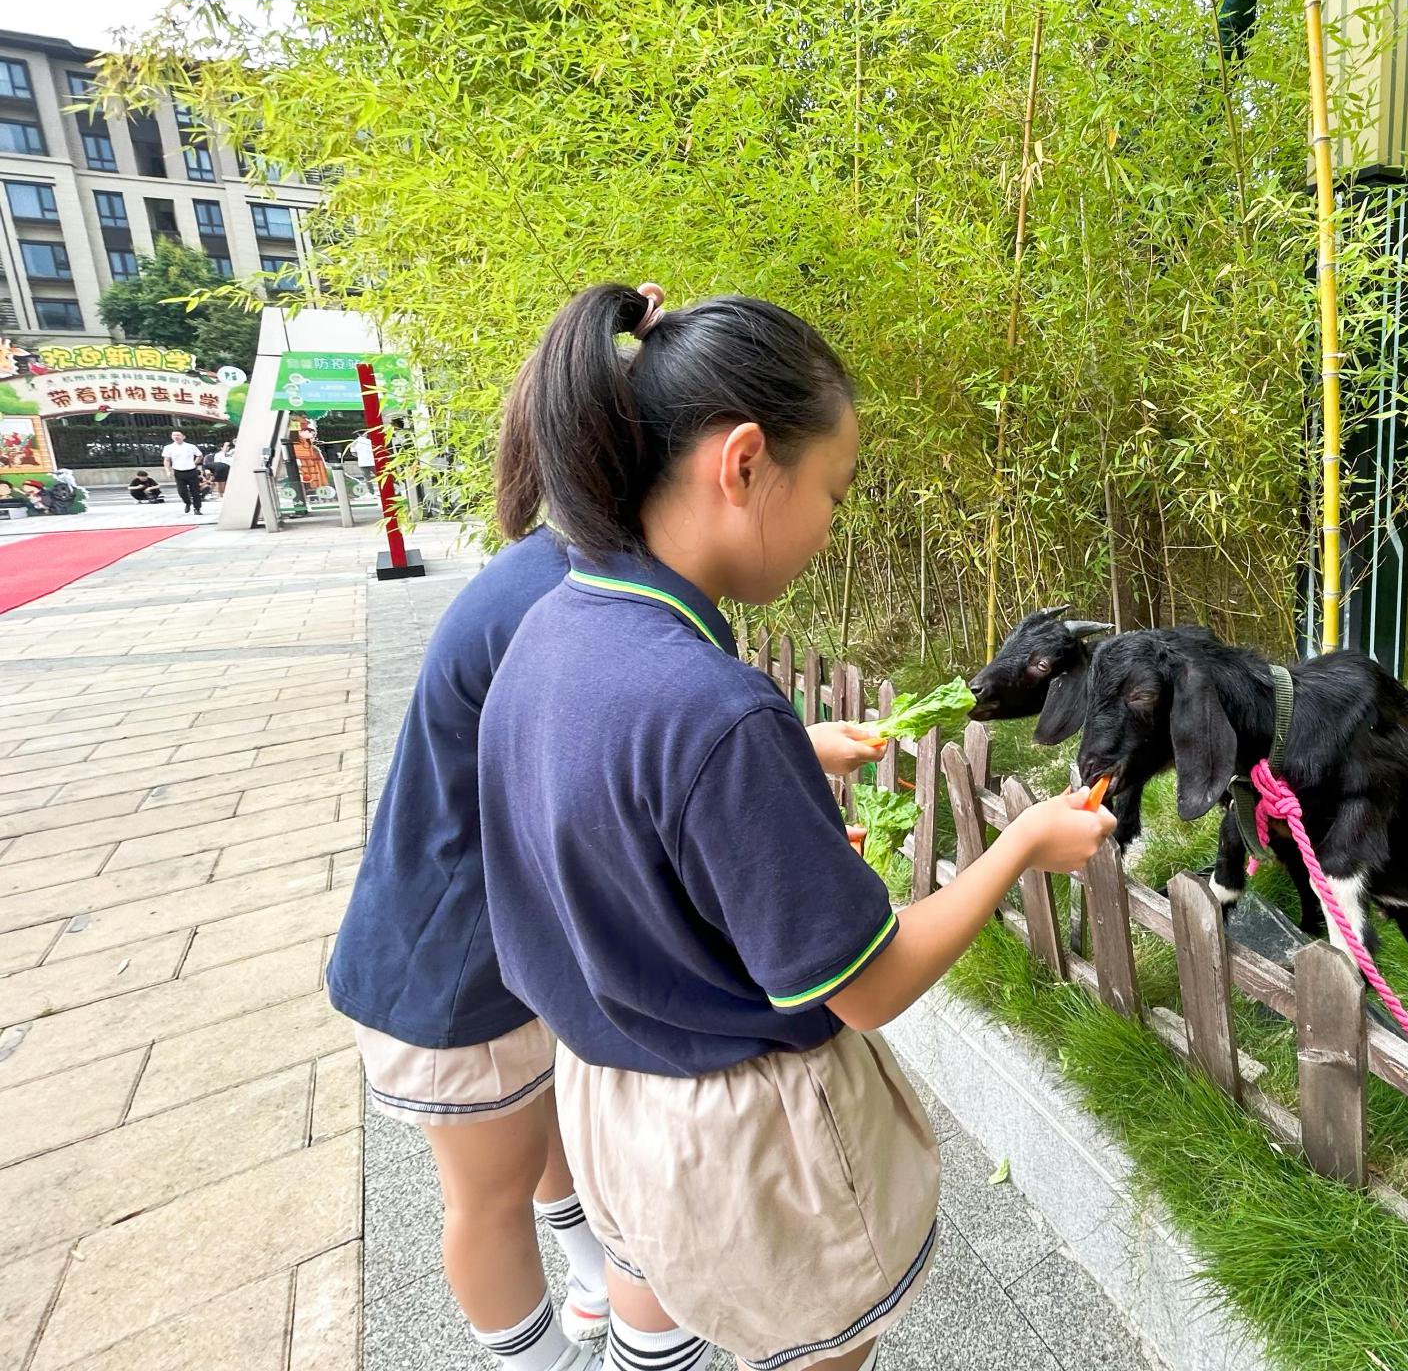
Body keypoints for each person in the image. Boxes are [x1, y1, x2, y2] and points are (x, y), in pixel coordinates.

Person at [477, 285, 1114, 1371]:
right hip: (742, 1141)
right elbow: (863, 985)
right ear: (743, 463)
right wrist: (1018, 849)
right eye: (832, 489)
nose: (831, 525)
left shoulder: (547, 631)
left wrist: (781, 766)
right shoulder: (714, 710)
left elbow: (619, 843)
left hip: (611, 1098)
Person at [325, 512, 608, 1369]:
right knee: (489, 1196)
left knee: (540, 1123)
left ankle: (593, 1285)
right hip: (450, 963)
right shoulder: (563, 599)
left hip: (485, 938)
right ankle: (537, 1360)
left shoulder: (548, 568)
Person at [162, 430, 205, 513]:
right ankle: (187, 502)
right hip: (178, 472)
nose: (176, 437)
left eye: (178, 435)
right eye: (174, 435)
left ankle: (197, 508)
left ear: (183, 436)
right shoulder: (168, 447)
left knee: (195, 491)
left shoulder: (190, 446)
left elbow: (200, 455)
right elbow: (166, 460)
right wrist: (168, 471)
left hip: (191, 471)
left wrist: (194, 463)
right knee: (182, 491)